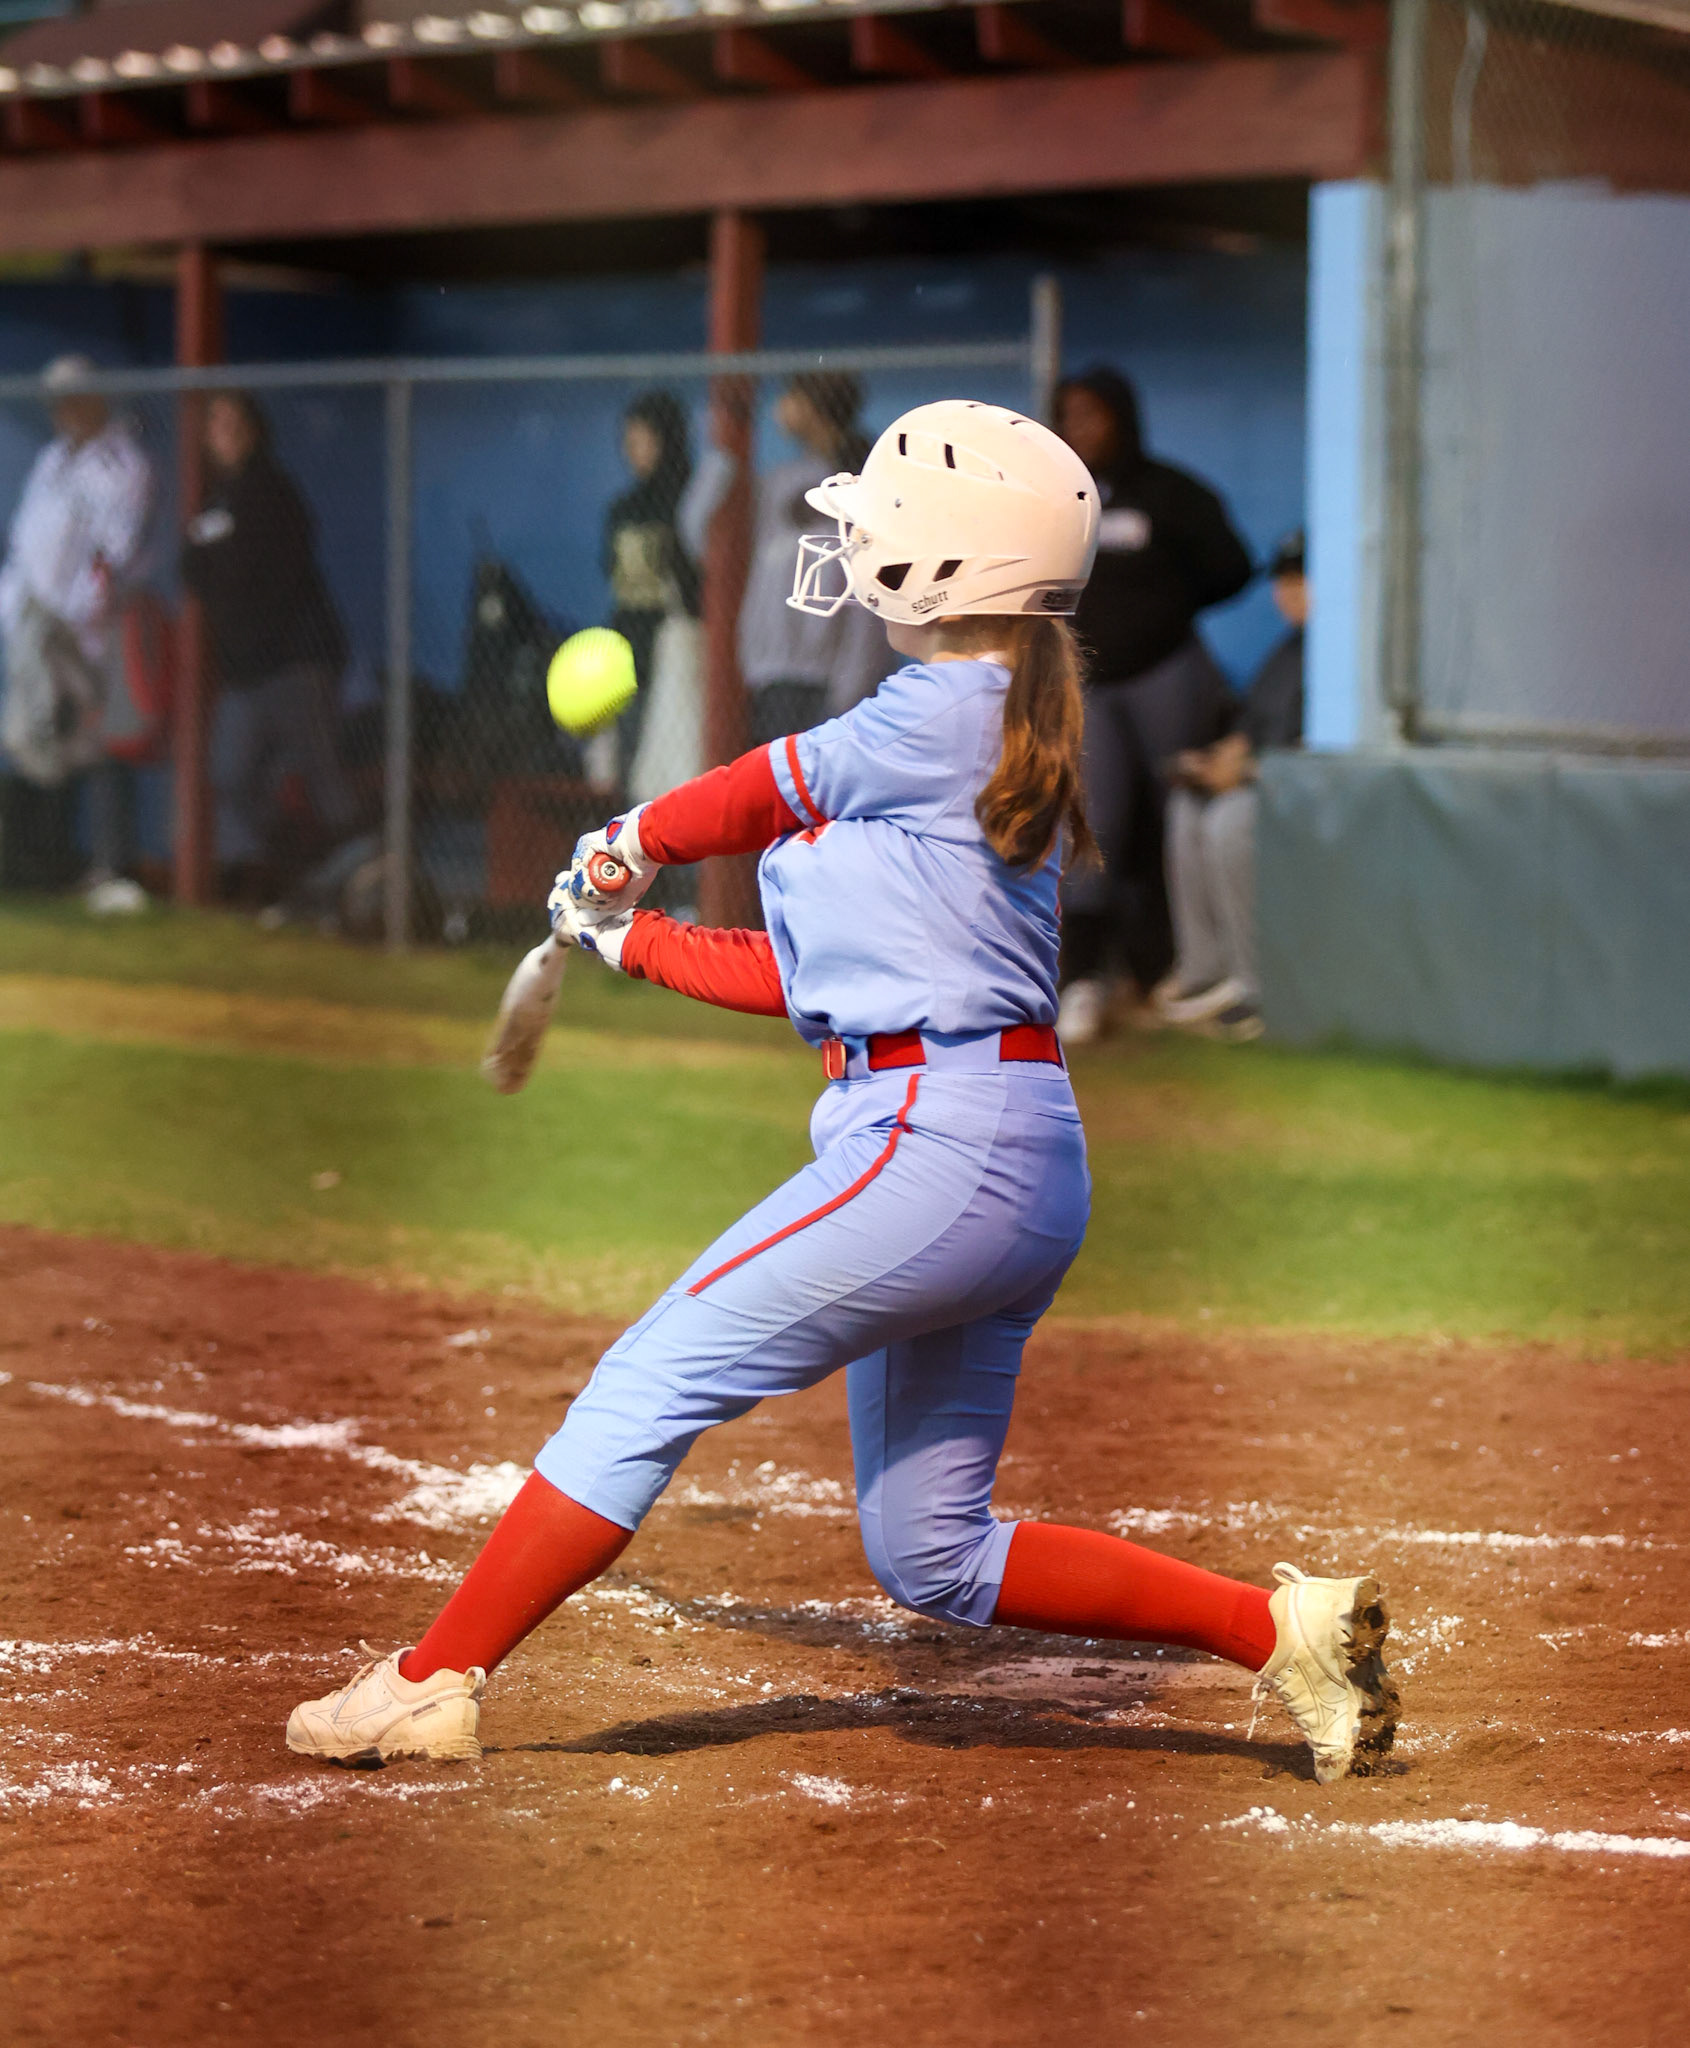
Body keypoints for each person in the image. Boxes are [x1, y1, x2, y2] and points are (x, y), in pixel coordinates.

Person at [286, 400, 1398, 1789]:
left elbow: (755, 793)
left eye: (878, 522)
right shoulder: (989, 719)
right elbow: (805, 982)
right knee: (929, 1550)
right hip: (1003, 1151)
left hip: (932, 1150)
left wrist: (627, 838)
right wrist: (623, 935)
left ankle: (430, 1680)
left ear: (946, 564)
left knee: (648, 1378)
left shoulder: (942, 705)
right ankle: (1281, 1631)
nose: (854, 541)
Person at [1052, 367, 1252, 1046]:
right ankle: (1082, 978)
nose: (1081, 429)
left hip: (1165, 675)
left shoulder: (1170, 493)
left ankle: (1176, 970)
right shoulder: (1053, 499)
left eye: (1093, 415)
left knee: (1175, 817)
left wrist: (1166, 608)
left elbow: (1232, 565)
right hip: (1090, 685)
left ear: (1123, 417)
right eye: (1068, 416)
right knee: (1091, 826)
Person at [180, 390, 354, 905]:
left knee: (326, 780)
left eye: (236, 422)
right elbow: (190, 568)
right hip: (246, 674)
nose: (225, 433)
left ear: (255, 430)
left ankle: (372, 888)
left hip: (294, 665)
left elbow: (281, 574)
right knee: (231, 777)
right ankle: (302, 873)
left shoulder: (273, 492)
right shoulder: (215, 499)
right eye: (216, 424)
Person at [0, 353, 153, 910]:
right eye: (58, 400)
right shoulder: (51, 460)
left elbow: (116, 553)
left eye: (75, 397)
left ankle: (114, 864)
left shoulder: (122, 464)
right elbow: (26, 545)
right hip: (35, 622)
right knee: (43, 741)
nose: (65, 409)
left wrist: (80, 617)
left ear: (98, 398)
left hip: (90, 628)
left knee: (105, 738)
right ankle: (47, 861)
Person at [681, 371, 888, 749]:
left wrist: (851, 688)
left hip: (824, 678)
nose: (779, 408)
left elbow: (867, 601)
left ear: (813, 405)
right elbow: (698, 536)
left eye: (790, 396)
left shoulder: (858, 482)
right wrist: (722, 456)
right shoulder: (778, 481)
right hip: (769, 676)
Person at [1160, 531, 1308, 1044]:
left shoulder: (1341, 652)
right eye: (1283, 581)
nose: (1285, 592)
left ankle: (1254, 984)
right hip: (1262, 780)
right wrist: (1219, 758)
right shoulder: (1288, 648)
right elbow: (1253, 725)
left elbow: (1317, 754)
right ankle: (1207, 968)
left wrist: (1243, 771)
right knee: (1187, 801)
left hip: (1299, 796)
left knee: (1229, 818)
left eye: (1299, 580)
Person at [602, 389, 700, 792]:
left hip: (676, 648)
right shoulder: (622, 508)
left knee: (681, 765)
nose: (632, 449)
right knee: (632, 758)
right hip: (630, 647)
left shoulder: (687, 503)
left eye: (641, 438)